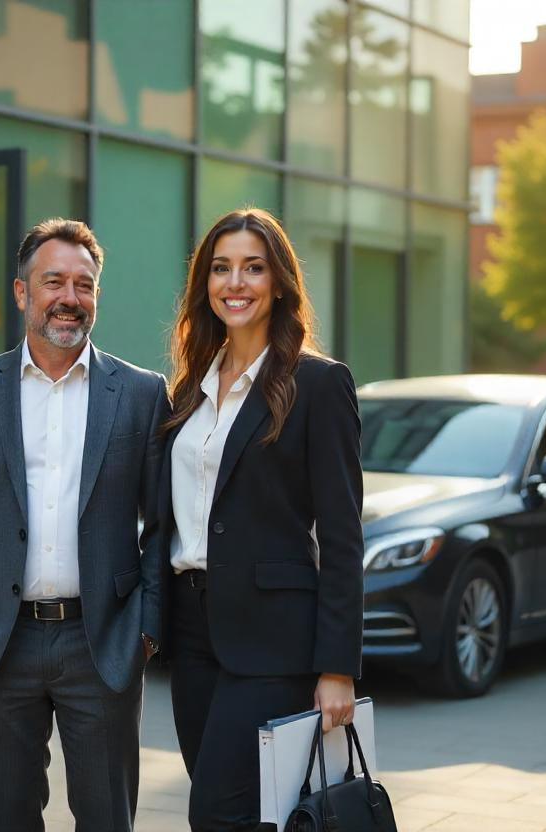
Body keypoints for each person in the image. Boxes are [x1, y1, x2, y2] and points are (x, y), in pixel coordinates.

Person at [0, 218, 168, 831]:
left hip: (103, 641)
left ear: (97, 296)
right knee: (8, 817)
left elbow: (163, 525)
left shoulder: (140, 393)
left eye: (83, 285)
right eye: (53, 280)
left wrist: (146, 627)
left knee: (108, 817)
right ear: (21, 292)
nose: (69, 297)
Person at [160, 207, 364, 831]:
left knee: (215, 813)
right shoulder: (191, 384)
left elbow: (342, 536)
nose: (236, 283)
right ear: (205, 284)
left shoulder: (317, 383)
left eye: (254, 267)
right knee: (247, 812)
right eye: (221, 269)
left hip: (275, 641)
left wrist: (338, 668)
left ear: (278, 281)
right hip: (193, 632)